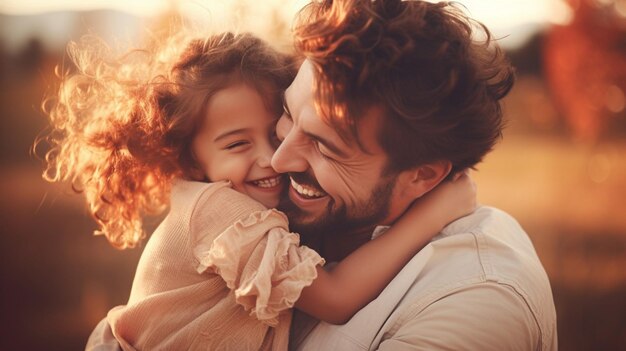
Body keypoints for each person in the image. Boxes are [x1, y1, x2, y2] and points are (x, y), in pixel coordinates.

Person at [42, 31, 476, 350]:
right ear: (192, 160)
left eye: (275, 132)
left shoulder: (248, 207)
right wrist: (433, 214)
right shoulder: (219, 210)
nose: (274, 157)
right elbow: (335, 297)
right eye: (237, 144)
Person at [269, 0, 558, 350]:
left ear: (423, 175)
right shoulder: (258, 211)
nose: (279, 161)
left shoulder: (476, 301)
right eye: (288, 113)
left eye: (325, 146)